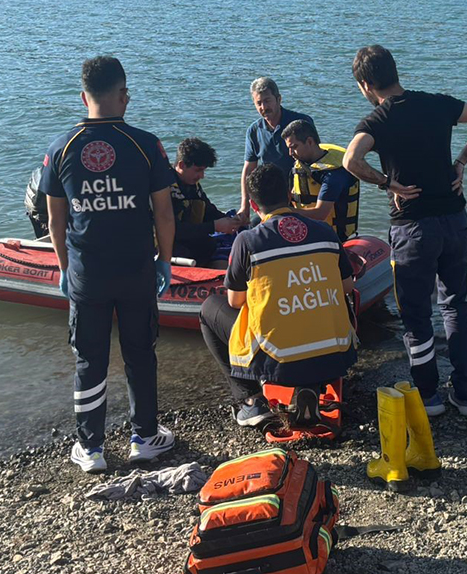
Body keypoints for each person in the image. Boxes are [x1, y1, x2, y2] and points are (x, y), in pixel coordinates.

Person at [343, 44, 467, 417]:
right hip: (454, 220)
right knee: (455, 305)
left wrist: (387, 183)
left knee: (416, 314)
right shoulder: (437, 103)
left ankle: (429, 395)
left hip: (412, 228)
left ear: (366, 84)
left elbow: (351, 159)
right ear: (395, 73)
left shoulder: (378, 120)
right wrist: (461, 162)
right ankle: (465, 394)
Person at [38, 56, 180, 474]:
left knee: (89, 358)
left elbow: (55, 221)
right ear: (124, 96)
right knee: (140, 353)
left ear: (84, 97)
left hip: (87, 275)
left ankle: (92, 447)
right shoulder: (145, 144)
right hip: (136, 270)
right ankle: (144, 437)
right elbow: (164, 215)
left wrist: (66, 269)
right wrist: (165, 262)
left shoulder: (60, 147)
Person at [199, 164, 357, 426]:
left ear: (252, 202)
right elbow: (347, 287)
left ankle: (251, 400)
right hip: (336, 359)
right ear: (289, 194)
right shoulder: (325, 232)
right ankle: (313, 385)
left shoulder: (248, 241)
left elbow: (234, 301)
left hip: (280, 364)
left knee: (209, 310)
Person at [238, 77, 313, 223]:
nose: (263, 107)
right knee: (254, 226)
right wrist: (244, 206)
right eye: (258, 103)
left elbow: (315, 157)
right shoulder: (254, 131)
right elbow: (249, 169)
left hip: (301, 192)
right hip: (271, 197)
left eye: (267, 101)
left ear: (279, 99)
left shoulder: (301, 123)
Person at [283, 119, 360, 241]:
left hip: (333, 237)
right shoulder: (302, 163)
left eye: (294, 147)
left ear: (309, 141)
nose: (290, 153)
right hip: (306, 230)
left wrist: (285, 212)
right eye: (289, 148)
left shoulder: (333, 174)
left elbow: (320, 213)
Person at [170, 137, 243, 266]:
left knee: (208, 244)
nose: (202, 176)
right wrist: (214, 226)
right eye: (198, 170)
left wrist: (232, 221)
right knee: (190, 249)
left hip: (186, 236)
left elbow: (208, 210)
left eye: (203, 170)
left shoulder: (192, 184)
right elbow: (174, 230)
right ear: (181, 165)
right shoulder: (164, 188)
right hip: (164, 242)